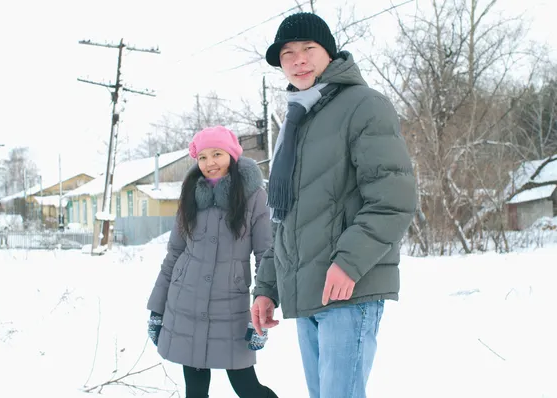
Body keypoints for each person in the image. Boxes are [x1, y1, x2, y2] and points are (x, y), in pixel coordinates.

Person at [250, 12, 418, 398]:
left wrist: (348, 263)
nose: (298, 59)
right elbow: (284, 218)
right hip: (307, 291)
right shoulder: (295, 121)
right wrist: (267, 289)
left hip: (348, 289)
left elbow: (393, 198)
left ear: (330, 53)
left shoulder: (364, 105)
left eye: (309, 48)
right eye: (288, 53)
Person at [146, 126, 278, 398]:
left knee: (248, 388)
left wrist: (263, 309)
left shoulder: (254, 196)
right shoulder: (191, 194)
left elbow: (265, 254)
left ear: (231, 154)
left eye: (217, 154)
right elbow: (174, 254)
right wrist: (157, 309)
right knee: (194, 391)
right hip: (186, 306)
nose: (210, 163)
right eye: (203, 157)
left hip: (230, 307)